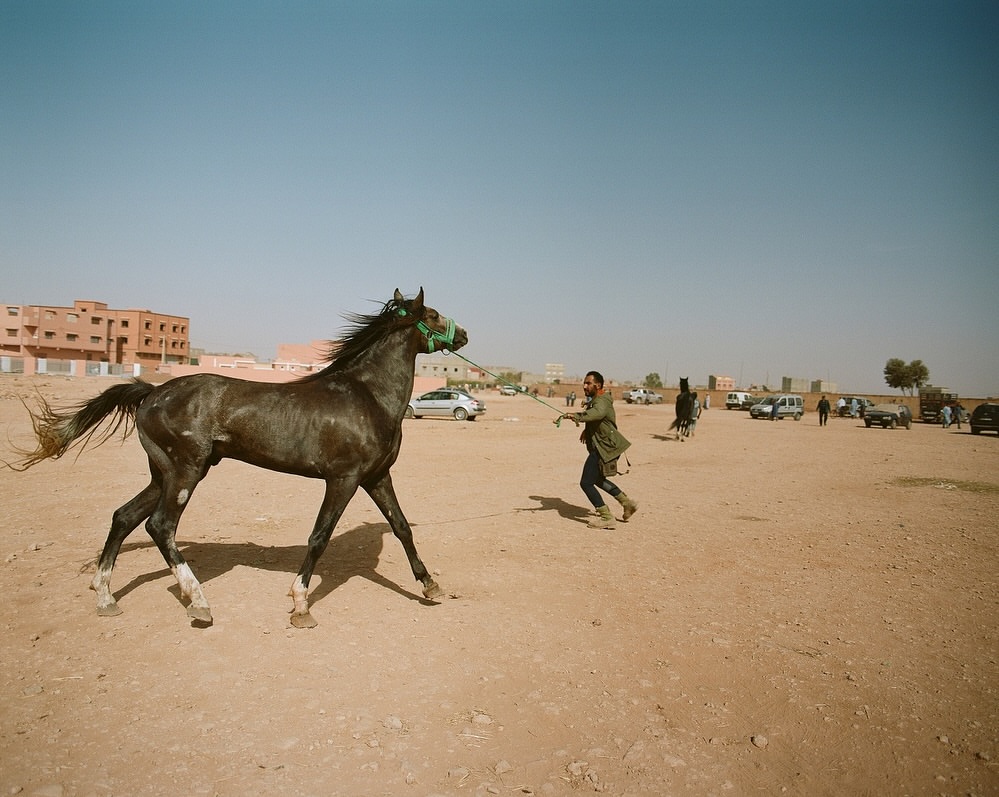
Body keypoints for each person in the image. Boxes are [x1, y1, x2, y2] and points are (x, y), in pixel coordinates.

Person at [559, 370, 637, 529]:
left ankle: (606, 517)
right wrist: (587, 430)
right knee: (597, 479)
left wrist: (575, 416)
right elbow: (598, 419)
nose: (585, 386)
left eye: (588, 383)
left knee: (585, 483)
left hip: (604, 448)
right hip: (605, 446)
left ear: (598, 385)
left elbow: (597, 413)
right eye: (584, 382)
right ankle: (627, 503)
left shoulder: (601, 401)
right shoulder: (597, 399)